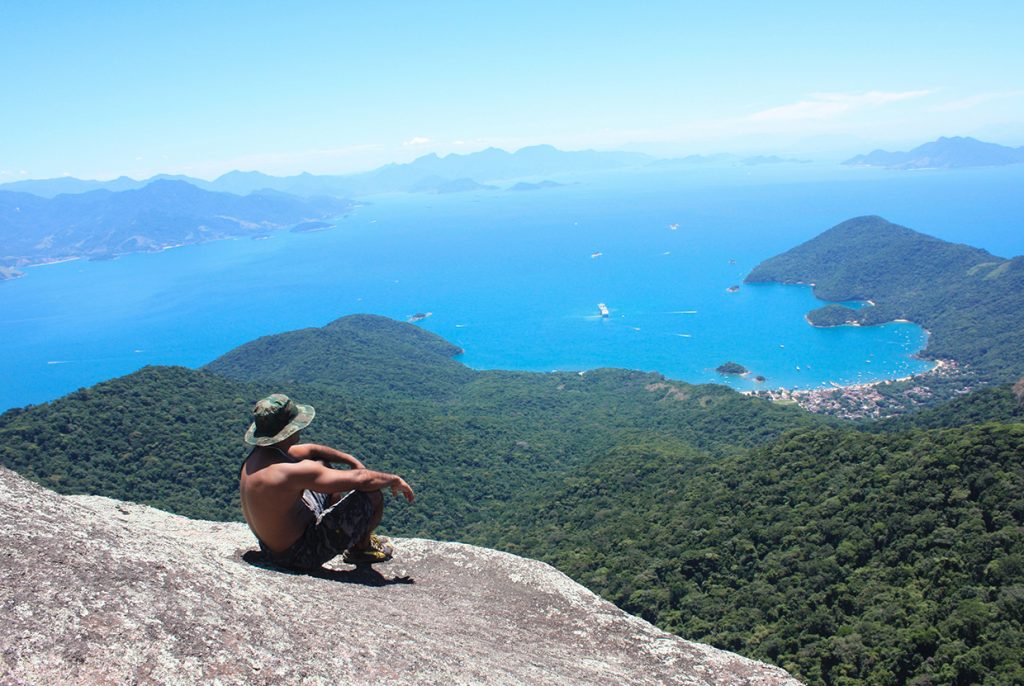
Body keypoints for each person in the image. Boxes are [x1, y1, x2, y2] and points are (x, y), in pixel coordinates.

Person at [239, 393, 414, 570]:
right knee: (372, 494)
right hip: (299, 555)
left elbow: (313, 450)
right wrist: (394, 479)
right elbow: (361, 479)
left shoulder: (258, 458)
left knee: (321, 463)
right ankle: (360, 549)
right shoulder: (289, 472)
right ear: (288, 430)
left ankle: (345, 532)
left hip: (270, 547)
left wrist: (350, 460)